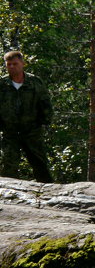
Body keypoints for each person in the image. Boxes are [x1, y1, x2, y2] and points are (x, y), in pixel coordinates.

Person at [0, 50, 53, 182]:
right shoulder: (2, 84)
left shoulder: (35, 82)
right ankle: (7, 199)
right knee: (8, 167)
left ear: (22, 63)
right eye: (9, 64)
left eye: (15, 64)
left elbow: (45, 103)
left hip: (32, 131)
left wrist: (44, 121)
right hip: (9, 132)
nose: (12, 67)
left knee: (40, 166)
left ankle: (48, 194)